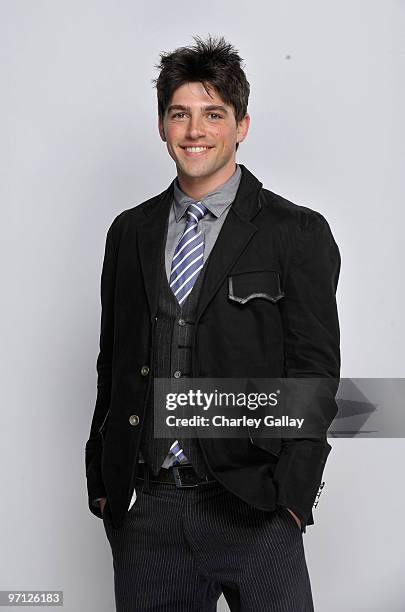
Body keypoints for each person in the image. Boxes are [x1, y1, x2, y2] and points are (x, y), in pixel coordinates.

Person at [85, 34, 341, 612]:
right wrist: (102, 475)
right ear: (162, 126)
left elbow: (315, 375)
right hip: (147, 513)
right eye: (180, 114)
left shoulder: (295, 233)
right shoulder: (130, 233)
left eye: (213, 114)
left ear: (241, 125)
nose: (195, 130)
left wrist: (293, 499)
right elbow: (113, 359)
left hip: (254, 506)